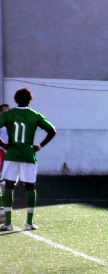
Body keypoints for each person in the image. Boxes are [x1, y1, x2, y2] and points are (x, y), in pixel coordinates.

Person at [0, 89, 56, 231]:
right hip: (28, 155)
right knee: (30, 187)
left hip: (12, 154)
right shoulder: (34, 115)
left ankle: (8, 223)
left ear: (15, 99)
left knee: (9, 186)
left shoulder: (9, 114)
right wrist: (40, 146)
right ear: (30, 100)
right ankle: (29, 222)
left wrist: (3, 144)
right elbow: (52, 130)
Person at [0, 104, 9, 217]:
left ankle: (3, 204)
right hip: (1, 151)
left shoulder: (10, 123)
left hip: (8, 152)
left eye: (8, 110)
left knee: (5, 178)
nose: (7, 112)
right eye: (4, 111)